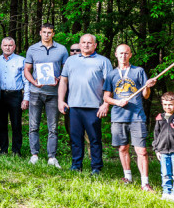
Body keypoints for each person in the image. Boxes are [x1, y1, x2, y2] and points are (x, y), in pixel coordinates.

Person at [103, 44, 157, 189]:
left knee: (142, 150)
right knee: (122, 148)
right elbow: (106, 97)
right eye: (120, 53)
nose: (123, 56)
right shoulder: (111, 75)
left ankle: (145, 183)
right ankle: (127, 177)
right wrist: (117, 102)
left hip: (136, 116)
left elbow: (146, 96)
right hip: (118, 117)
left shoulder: (138, 71)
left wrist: (147, 86)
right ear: (116, 55)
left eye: (126, 53)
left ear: (130, 55)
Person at [57, 34, 113, 174]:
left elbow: (110, 84)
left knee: (94, 139)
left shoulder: (103, 61)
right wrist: (60, 100)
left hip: (94, 106)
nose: (86, 45)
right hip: (74, 106)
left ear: (95, 45)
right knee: (76, 138)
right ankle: (76, 165)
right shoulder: (71, 61)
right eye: (83, 42)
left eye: (89, 43)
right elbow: (63, 81)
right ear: (80, 44)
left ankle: (96, 167)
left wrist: (106, 104)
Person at [23, 24, 69, 168]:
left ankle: (52, 157)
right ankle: (34, 155)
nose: (47, 35)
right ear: (40, 33)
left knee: (53, 127)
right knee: (33, 125)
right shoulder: (33, 49)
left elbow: (66, 70)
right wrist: (34, 82)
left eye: (49, 32)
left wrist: (59, 79)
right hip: (36, 93)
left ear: (53, 34)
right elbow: (27, 70)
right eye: (44, 32)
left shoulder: (61, 49)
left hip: (54, 94)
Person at [0, 37, 29, 156]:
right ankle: (3, 150)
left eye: (10, 45)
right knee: (1, 124)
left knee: (16, 124)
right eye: (5, 45)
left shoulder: (21, 60)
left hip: (15, 95)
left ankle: (16, 151)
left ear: (14, 47)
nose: (7, 48)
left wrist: (26, 98)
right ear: (1, 46)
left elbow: (26, 81)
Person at [153, 92, 174, 201]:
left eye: (170, 104)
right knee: (165, 173)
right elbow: (156, 135)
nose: (167, 107)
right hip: (163, 151)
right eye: (165, 104)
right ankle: (166, 192)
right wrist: (156, 149)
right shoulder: (159, 118)